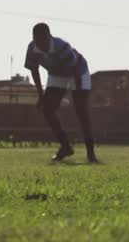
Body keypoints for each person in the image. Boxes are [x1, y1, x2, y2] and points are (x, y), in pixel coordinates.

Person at [25, 23, 97, 163]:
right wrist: (41, 96)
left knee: (81, 110)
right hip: (56, 74)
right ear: (34, 39)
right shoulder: (32, 49)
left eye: (44, 41)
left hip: (78, 72)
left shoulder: (61, 46)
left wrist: (77, 93)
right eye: (38, 41)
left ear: (49, 36)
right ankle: (65, 147)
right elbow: (34, 70)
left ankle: (91, 153)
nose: (42, 45)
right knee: (47, 108)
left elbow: (74, 69)